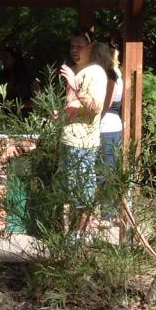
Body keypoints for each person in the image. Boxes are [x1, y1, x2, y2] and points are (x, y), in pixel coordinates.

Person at [59, 28, 108, 238]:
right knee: (72, 189)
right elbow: (74, 106)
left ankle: (83, 234)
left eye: (79, 46)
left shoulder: (95, 72)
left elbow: (96, 106)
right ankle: (76, 233)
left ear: (90, 47)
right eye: (72, 46)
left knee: (82, 189)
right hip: (69, 138)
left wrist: (73, 85)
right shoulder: (77, 70)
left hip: (84, 141)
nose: (75, 50)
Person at [93, 39, 123, 223]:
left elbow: (107, 104)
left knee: (107, 170)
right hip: (108, 126)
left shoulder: (110, 75)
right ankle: (104, 211)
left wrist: (94, 122)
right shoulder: (108, 74)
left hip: (107, 127)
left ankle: (108, 213)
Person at [0, 46, 36, 112]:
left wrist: (17, 106)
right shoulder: (0, 75)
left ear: (15, 59)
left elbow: (37, 100)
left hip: (24, 118)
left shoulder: (28, 77)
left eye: (6, 57)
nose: (3, 60)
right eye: (2, 57)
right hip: (4, 116)